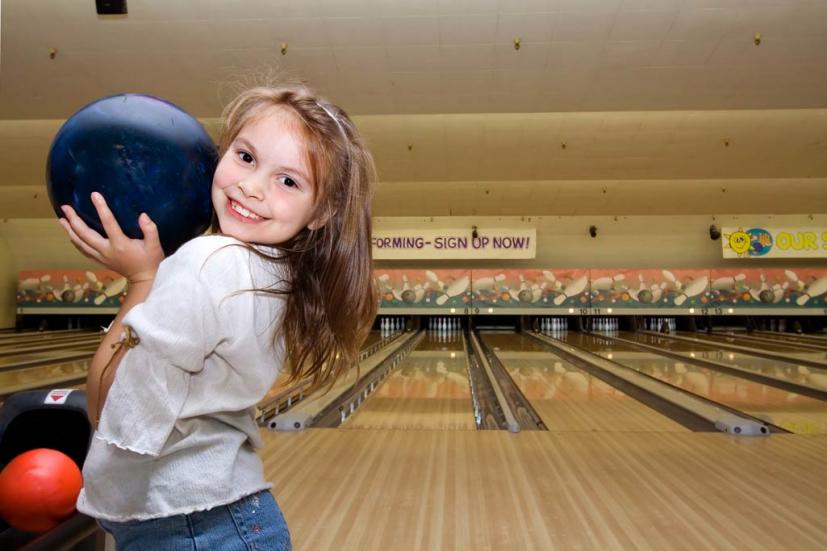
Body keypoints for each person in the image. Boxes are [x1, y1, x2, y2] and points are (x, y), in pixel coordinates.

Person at [58, 84, 377, 550]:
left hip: (191, 529)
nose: (251, 185)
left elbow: (108, 408)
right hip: (220, 523)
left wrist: (142, 280)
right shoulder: (273, 275)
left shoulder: (209, 261)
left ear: (321, 211)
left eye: (288, 181)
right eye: (246, 157)